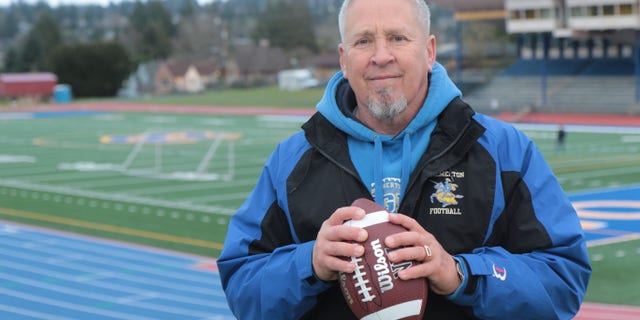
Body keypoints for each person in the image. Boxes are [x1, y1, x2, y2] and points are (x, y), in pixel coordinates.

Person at [217, 0, 591, 319]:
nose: (382, 56)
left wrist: (463, 273)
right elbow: (242, 284)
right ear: (344, 60)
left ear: (429, 51)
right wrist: (309, 265)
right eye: (364, 41)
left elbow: (563, 278)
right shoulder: (293, 159)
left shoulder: (503, 149)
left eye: (397, 37)